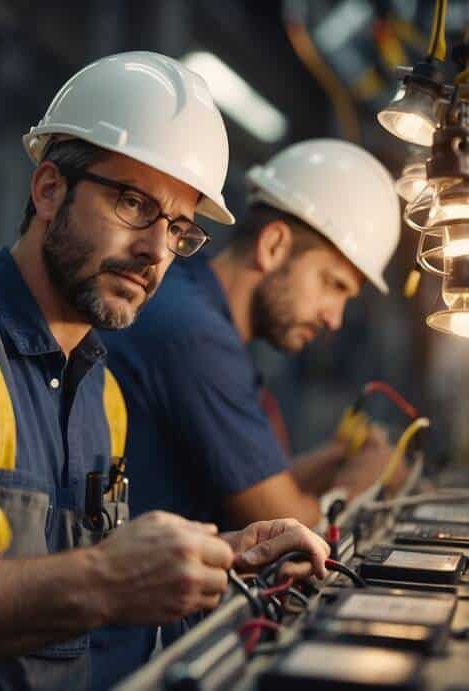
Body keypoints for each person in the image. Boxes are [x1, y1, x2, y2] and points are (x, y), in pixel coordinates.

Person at [0, 52, 331, 691]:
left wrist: (226, 554)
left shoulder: (98, 388)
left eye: (178, 229)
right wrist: (115, 578)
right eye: (135, 204)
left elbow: (72, 572)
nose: (154, 251)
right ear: (50, 189)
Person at [89, 139, 401, 686]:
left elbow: (256, 487)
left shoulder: (199, 310)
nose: (334, 318)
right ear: (275, 244)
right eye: (333, 285)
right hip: (115, 655)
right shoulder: (196, 336)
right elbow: (296, 525)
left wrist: (331, 459)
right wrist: (364, 479)